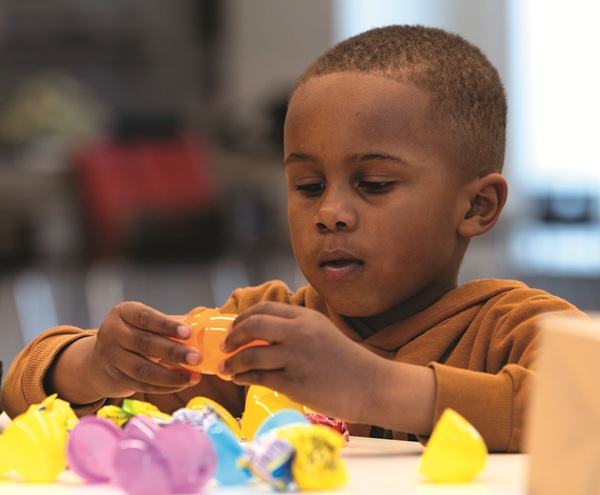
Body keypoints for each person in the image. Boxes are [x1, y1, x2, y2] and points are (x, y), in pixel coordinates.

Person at [0, 25, 587, 452]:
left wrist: (374, 387)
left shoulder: (511, 327)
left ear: (478, 206)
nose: (330, 212)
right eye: (307, 185)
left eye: (374, 184)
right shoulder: (261, 330)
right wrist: (97, 365)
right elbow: (24, 389)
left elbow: (585, 416)